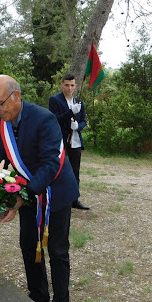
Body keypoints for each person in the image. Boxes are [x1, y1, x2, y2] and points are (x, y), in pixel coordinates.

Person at [0, 75, 79, 302]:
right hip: (27, 192)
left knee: (57, 249)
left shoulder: (44, 119)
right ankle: (39, 295)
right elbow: (1, 157)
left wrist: (23, 195)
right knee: (28, 244)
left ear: (16, 96)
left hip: (55, 191)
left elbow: (50, 164)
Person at [48, 73, 89, 210]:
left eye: (72, 85)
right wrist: (71, 112)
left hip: (75, 141)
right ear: (62, 85)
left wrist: (78, 127)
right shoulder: (55, 100)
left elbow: (84, 120)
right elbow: (55, 119)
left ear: (75, 86)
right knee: (60, 170)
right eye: (67, 85)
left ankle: (74, 199)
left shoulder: (79, 102)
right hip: (61, 140)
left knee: (75, 171)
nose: (69, 88)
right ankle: (59, 199)